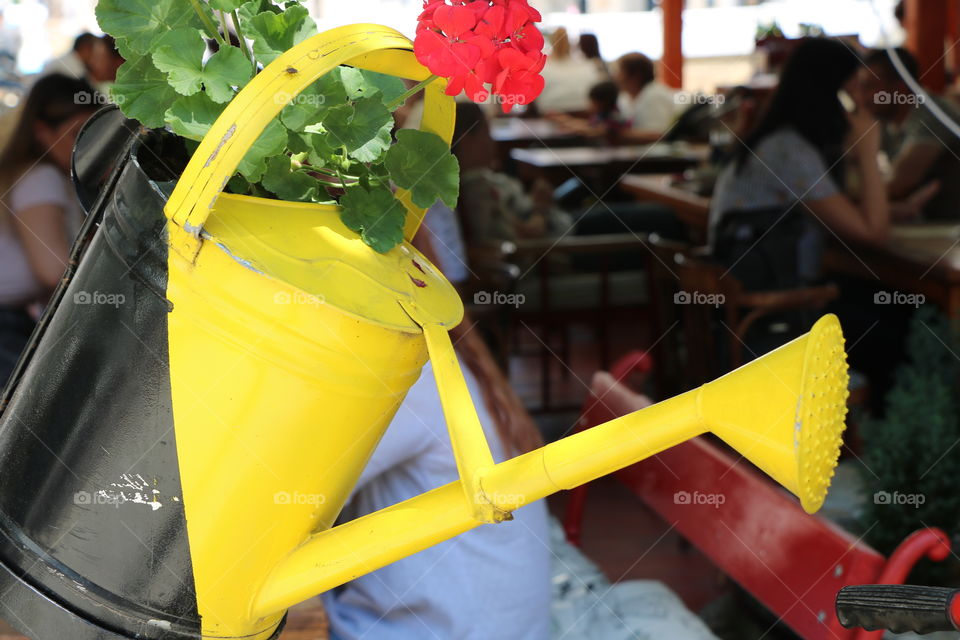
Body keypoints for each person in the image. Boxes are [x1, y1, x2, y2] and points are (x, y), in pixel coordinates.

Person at [321, 321, 551, 640]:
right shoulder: (446, 362)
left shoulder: (412, 378)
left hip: (444, 630)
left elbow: (299, 499)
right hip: (495, 625)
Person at [0, 74, 98, 384]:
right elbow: (55, 272)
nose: (86, 148)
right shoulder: (41, 177)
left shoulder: (35, 173)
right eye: (77, 135)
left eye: (94, 135)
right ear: (42, 130)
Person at [859, 48, 960, 221]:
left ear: (900, 88)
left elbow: (897, 185)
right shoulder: (886, 120)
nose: (863, 98)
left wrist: (836, 202)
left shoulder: (932, 114)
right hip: (931, 226)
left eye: (871, 87)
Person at [454, 102, 570, 246]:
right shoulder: (476, 188)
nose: (492, 142)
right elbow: (523, 238)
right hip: (560, 250)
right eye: (487, 133)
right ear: (467, 140)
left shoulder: (470, 181)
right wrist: (541, 208)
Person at [536, 27, 605, 114]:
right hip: (585, 115)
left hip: (550, 115)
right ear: (571, 43)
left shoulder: (541, 69)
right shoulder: (588, 66)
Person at [614, 52, 678, 142]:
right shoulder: (624, 98)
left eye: (619, 72)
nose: (615, 76)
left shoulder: (654, 95)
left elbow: (659, 135)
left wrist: (618, 134)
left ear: (636, 76)